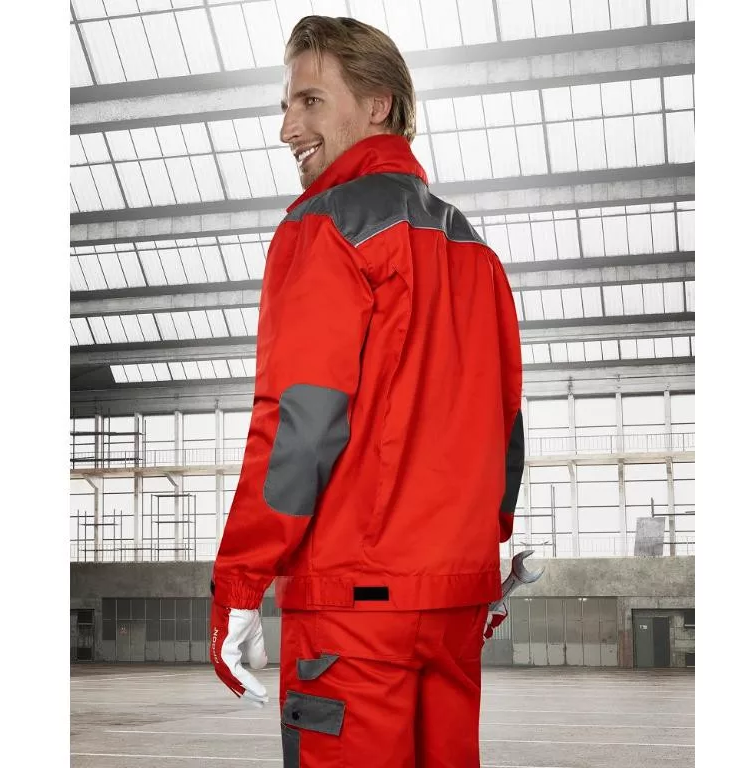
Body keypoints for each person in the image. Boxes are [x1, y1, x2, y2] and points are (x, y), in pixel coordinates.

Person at [209, 15, 524, 768]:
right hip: (454, 602)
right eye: (287, 105)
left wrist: (240, 582)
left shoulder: (323, 227)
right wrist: (481, 550)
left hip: (354, 609)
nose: (288, 127)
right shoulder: (475, 252)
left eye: (310, 101)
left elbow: (303, 421)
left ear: (378, 104)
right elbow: (506, 428)